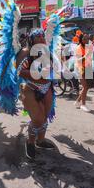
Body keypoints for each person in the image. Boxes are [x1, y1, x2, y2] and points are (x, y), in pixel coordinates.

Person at [17, 28, 56, 159]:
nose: (41, 39)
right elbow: (19, 71)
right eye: (37, 37)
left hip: (47, 87)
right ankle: (30, 142)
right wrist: (38, 74)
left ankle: (41, 141)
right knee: (37, 119)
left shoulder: (47, 52)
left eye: (42, 37)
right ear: (31, 40)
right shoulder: (25, 52)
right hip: (30, 88)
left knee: (45, 117)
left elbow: (50, 71)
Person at [74, 32, 92, 112]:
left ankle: (78, 101)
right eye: (85, 39)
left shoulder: (88, 47)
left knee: (87, 87)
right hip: (80, 69)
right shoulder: (78, 48)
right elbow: (77, 60)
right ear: (81, 39)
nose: (87, 40)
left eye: (88, 38)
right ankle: (83, 104)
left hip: (88, 68)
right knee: (85, 87)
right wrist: (85, 57)